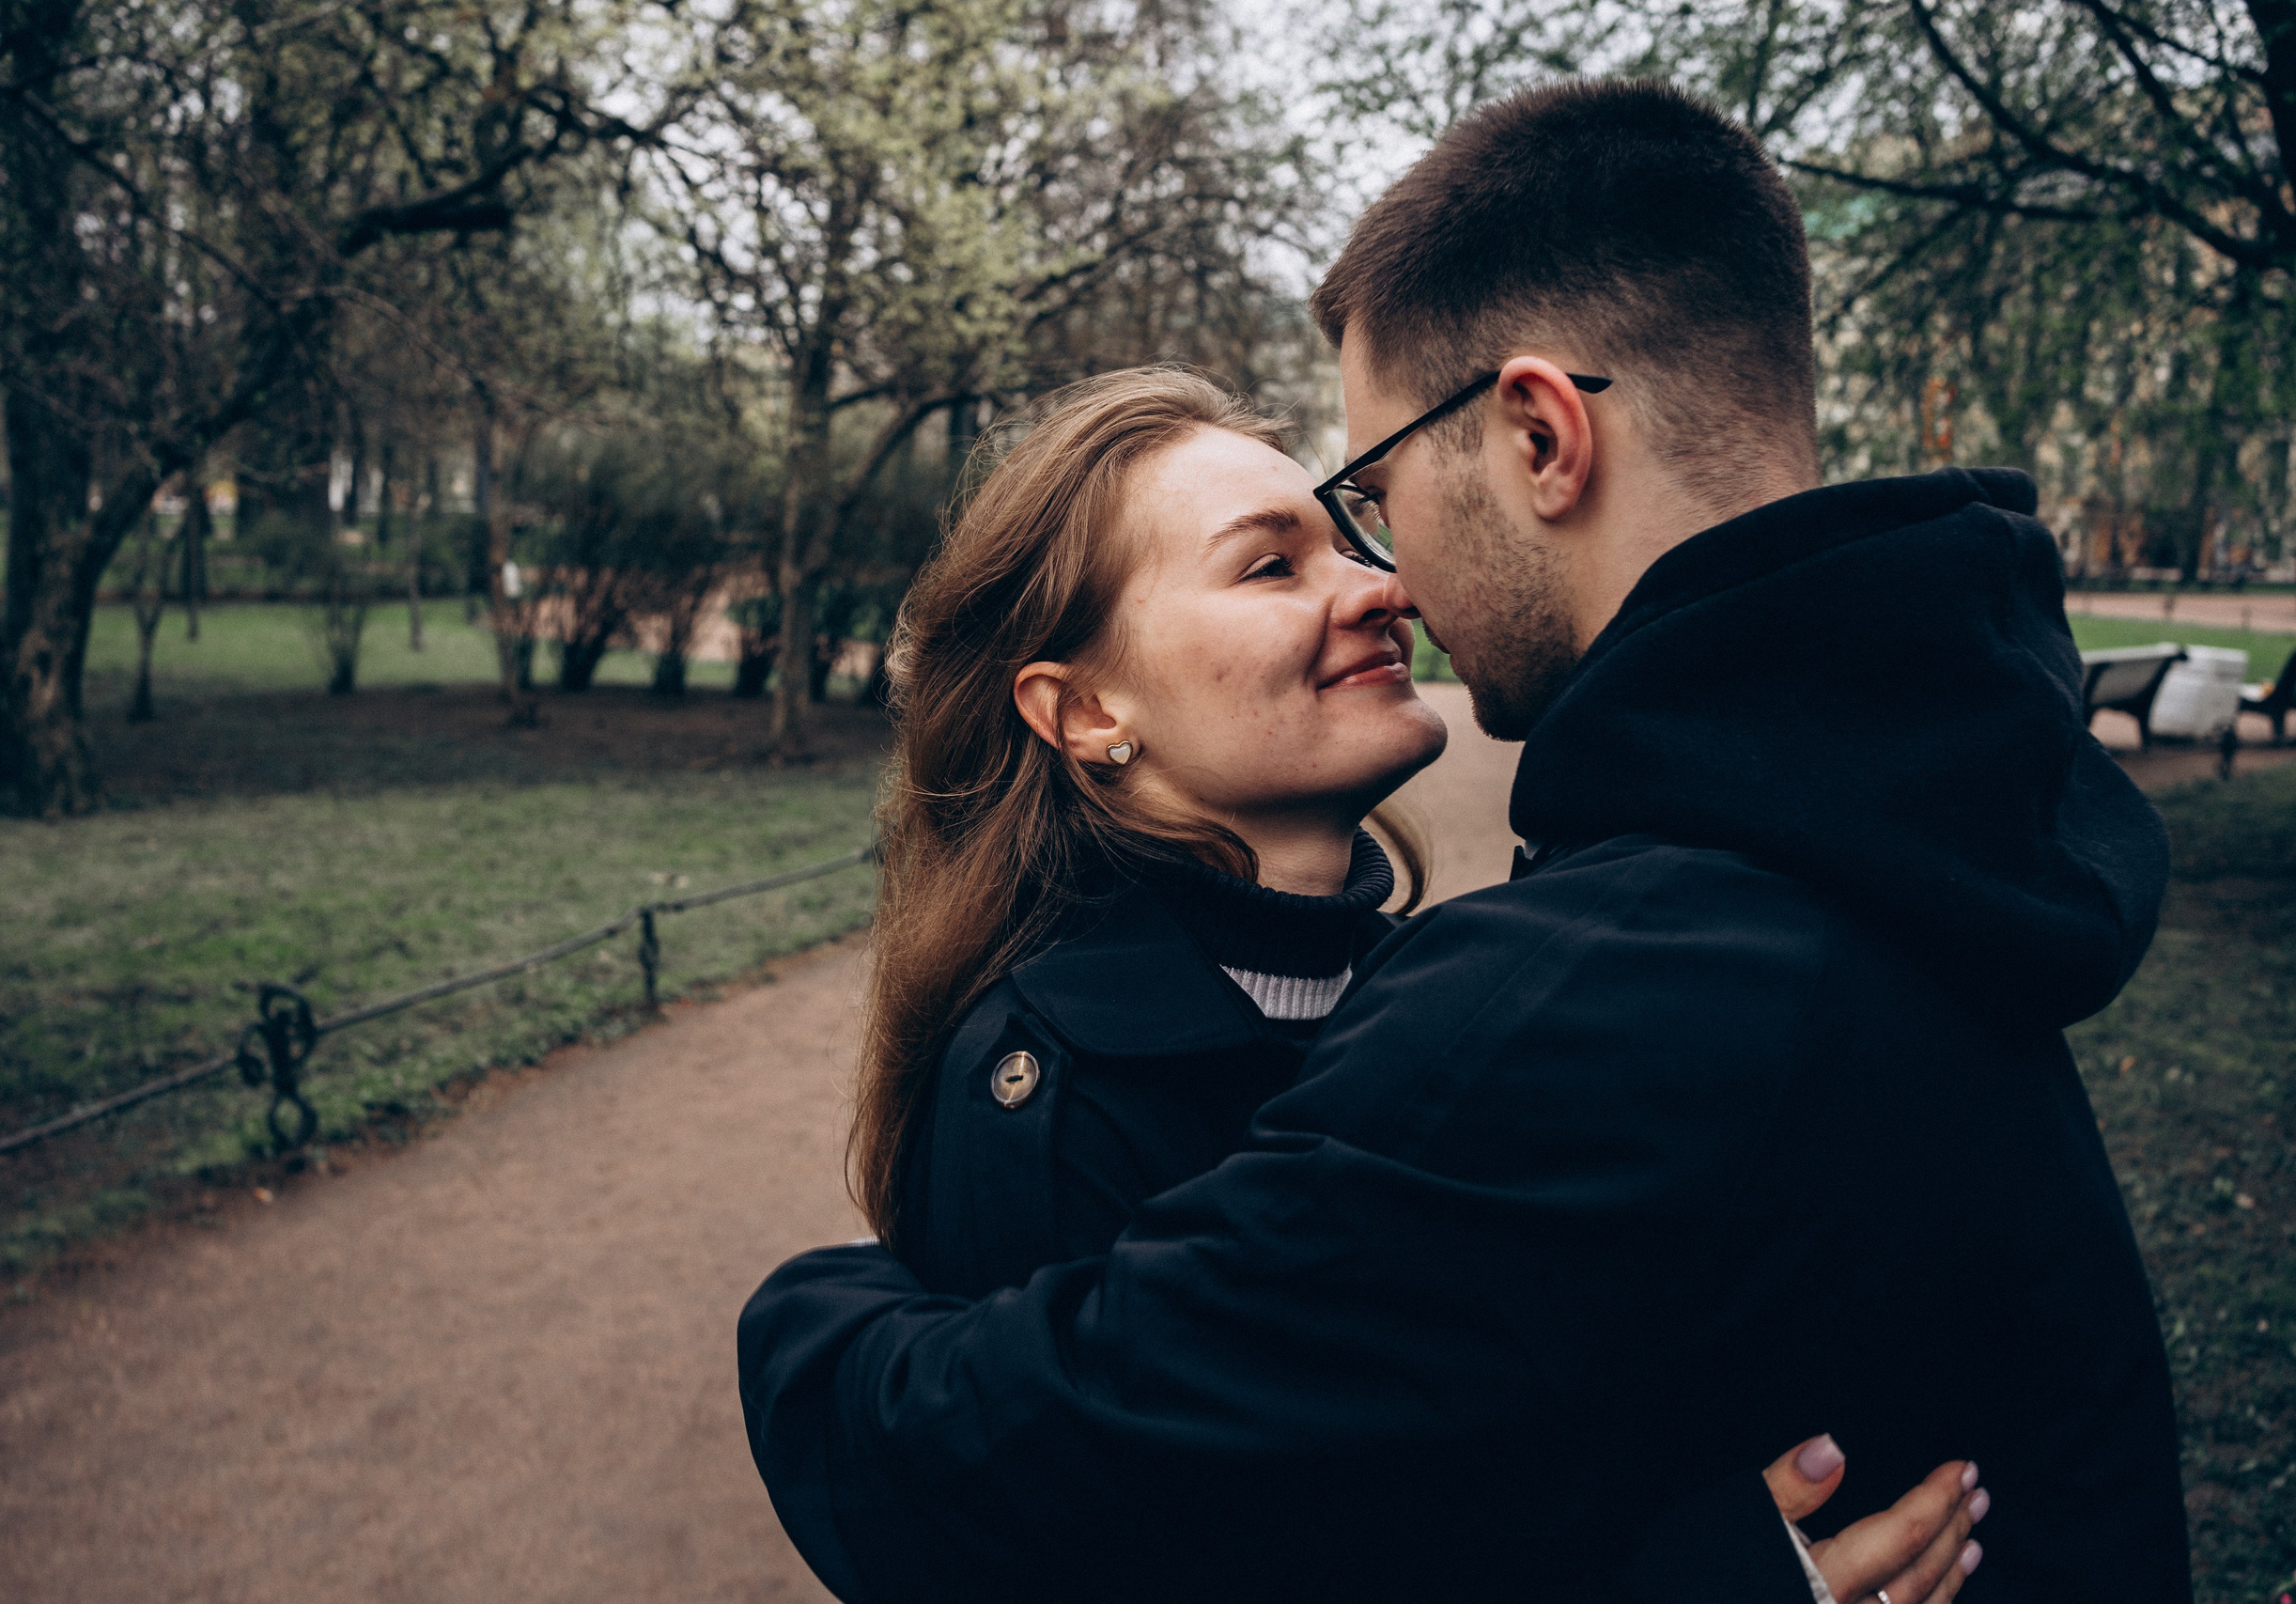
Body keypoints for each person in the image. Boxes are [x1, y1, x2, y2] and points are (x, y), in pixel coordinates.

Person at [741, 79, 2189, 1602]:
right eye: (1277, 555)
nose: (1388, 580)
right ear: (1084, 710)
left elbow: (1033, 1458)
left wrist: (811, 1324)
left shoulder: (1577, 986)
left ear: (1541, 436)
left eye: (1373, 494)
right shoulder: (1919, 815)